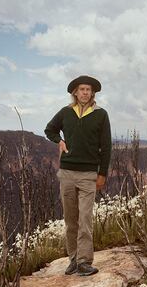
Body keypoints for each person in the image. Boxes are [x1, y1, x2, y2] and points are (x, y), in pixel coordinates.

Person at [44, 75, 112, 276]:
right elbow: (49, 129)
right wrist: (59, 140)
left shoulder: (101, 114)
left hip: (89, 174)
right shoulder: (66, 112)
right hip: (67, 173)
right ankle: (73, 259)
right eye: (82, 89)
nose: (85, 93)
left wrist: (102, 174)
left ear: (92, 93)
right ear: (75, 92)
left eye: (88, 90)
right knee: (70, 219)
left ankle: (84, 261)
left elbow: (106, 146)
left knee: (85, 219)